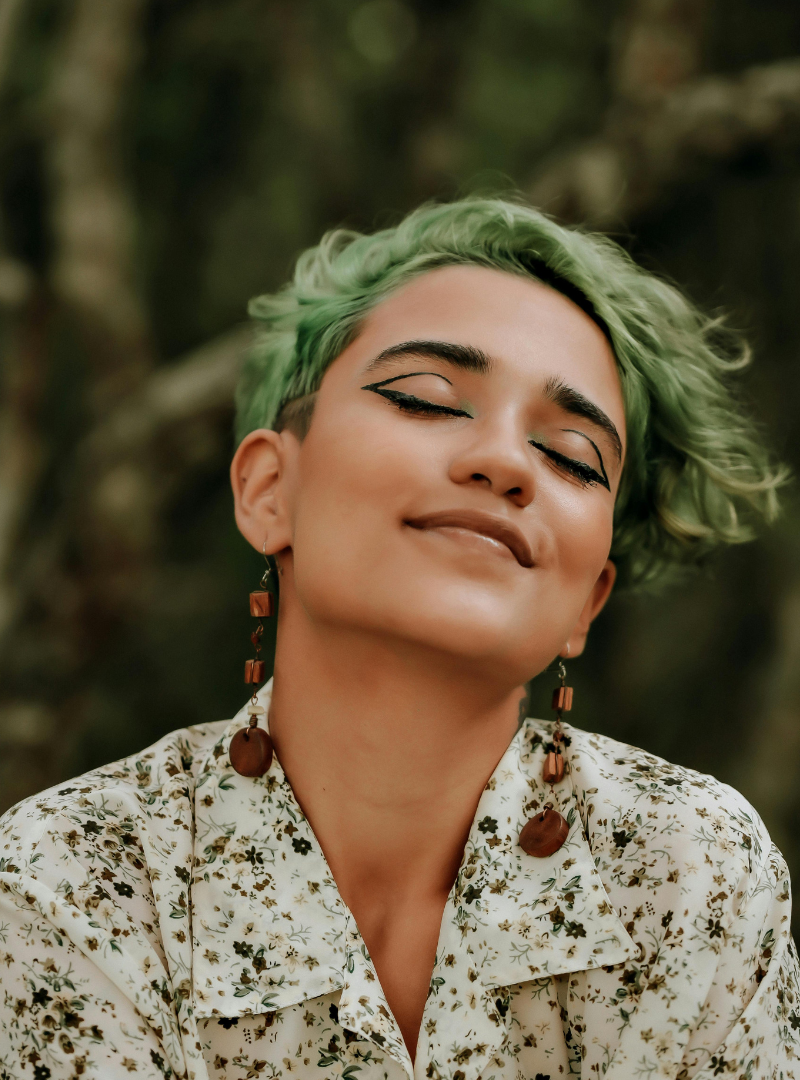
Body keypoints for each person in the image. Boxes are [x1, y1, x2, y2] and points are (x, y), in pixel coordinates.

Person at [0, 197, 796, 1080]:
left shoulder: (686, 870)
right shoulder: (71, 879)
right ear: (270, 490)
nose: (504, 461)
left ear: (588, 602)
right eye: (425, 398)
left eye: (572, 455)